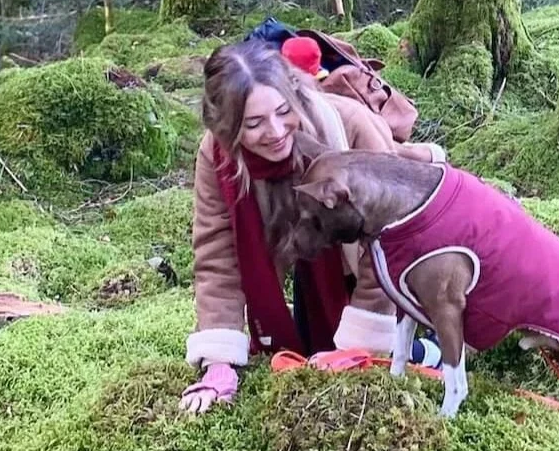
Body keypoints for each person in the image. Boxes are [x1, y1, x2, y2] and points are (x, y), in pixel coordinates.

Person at [179, 40, 444, 413]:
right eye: (253, 123)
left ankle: (427, 344)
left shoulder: (351, 127)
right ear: (226, 126)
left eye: (283, 112)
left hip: (393, 268)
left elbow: (389, 241)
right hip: (310, 257)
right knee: (313, 352)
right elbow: (217, 254)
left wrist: (362, 344)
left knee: (374, 352)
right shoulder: (217, 155)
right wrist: (219, 360)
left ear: (294, 94)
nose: (274, 131)